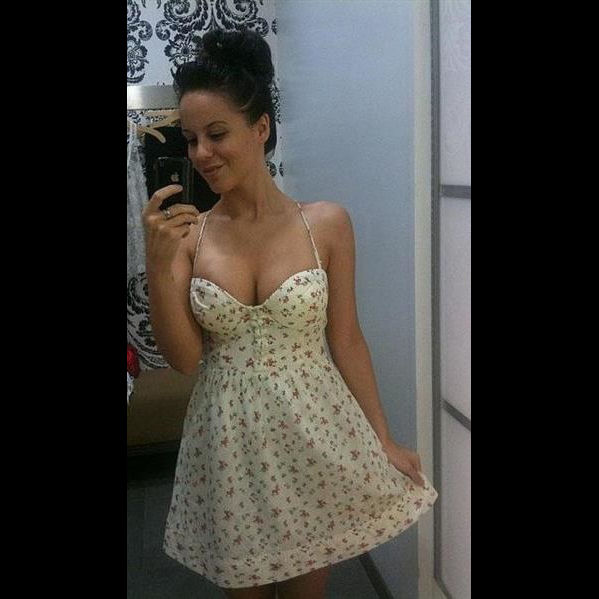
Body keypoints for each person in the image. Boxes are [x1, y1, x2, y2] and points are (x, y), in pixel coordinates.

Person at [142, 27, 437, 599]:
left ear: (260, 128)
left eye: (217, 134)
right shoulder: (189, 237)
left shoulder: (326, 223)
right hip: (229, 443)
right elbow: (184, 360)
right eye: (190, 139)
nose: (201, 154)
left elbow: (347, 338)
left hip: (314, 435)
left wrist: (381, 437)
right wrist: (156, 266)